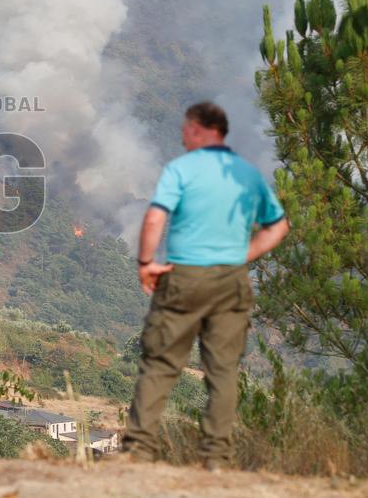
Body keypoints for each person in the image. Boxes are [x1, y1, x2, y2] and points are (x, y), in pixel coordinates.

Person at [122, 102, 289, 470]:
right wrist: (242, 255)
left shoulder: (181, 170)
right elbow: (278, 227)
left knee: (161, 362)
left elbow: (154, 218)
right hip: (230, 281)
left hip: (183, 278)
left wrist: (146, 262)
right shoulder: (247, 174)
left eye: (185, 130)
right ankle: (216, 457)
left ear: (199, 129)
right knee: (223, 370)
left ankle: (138, 452)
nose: (182, 137)